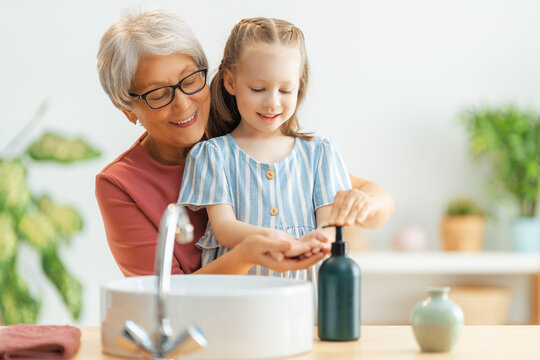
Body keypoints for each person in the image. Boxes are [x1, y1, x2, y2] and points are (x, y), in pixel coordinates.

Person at [95, 9, 394, 277]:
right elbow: (166, 297)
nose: (184, 104)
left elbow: (371, 198)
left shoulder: (262, 140)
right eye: (159, 94)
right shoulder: (123, 183)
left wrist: (365, 205)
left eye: (190, 81)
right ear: (127, 110)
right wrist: (250, 252)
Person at [178, 17, 351, 281]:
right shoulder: (213, 155)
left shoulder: (320, 154)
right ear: (230, 82)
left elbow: (331, 225)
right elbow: (224, 228)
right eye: (258, 89)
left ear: (299, 87)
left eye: (285, 90)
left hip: (304, 299)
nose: (272, 102)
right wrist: (276, 239)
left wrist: (317, 239)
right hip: (237, 300)